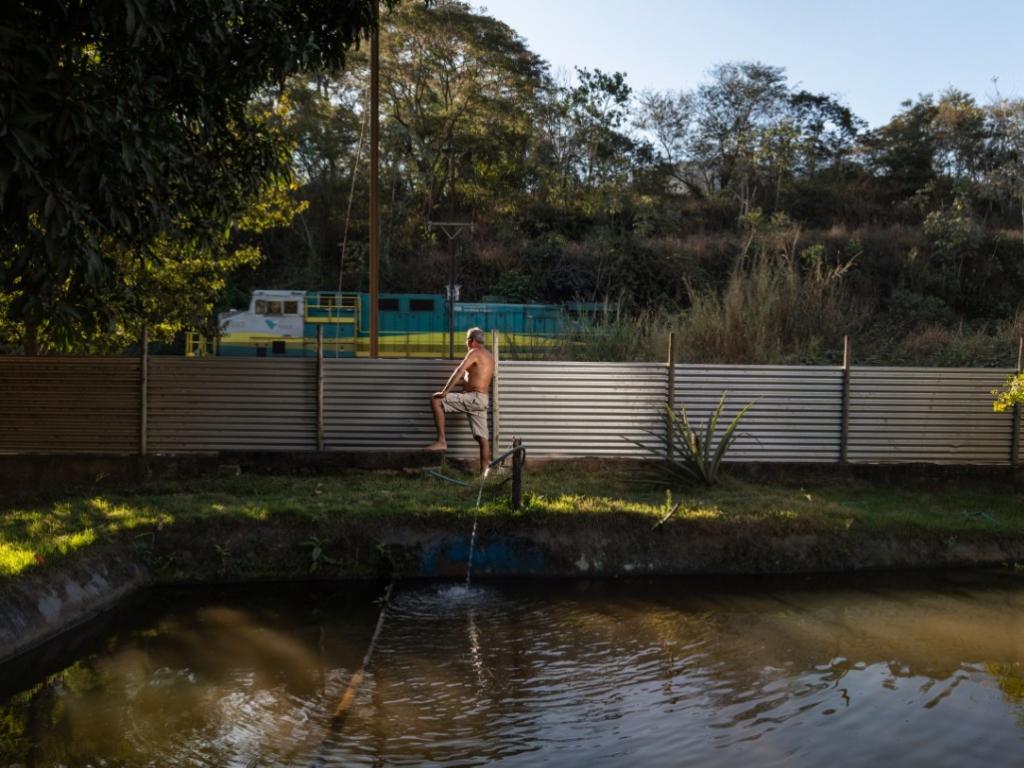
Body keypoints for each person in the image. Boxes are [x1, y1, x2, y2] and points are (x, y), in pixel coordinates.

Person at [425, 327, 495, 472]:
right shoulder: (489, 356)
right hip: (482, 399)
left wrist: (445, 392)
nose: (466, 343)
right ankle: (485, 475)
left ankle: (442, 441)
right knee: (483, 439)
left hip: (473, 398)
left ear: (472, 341)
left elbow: (459, 371)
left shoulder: (474, 352)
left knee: (436, 401)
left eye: (467, 340)